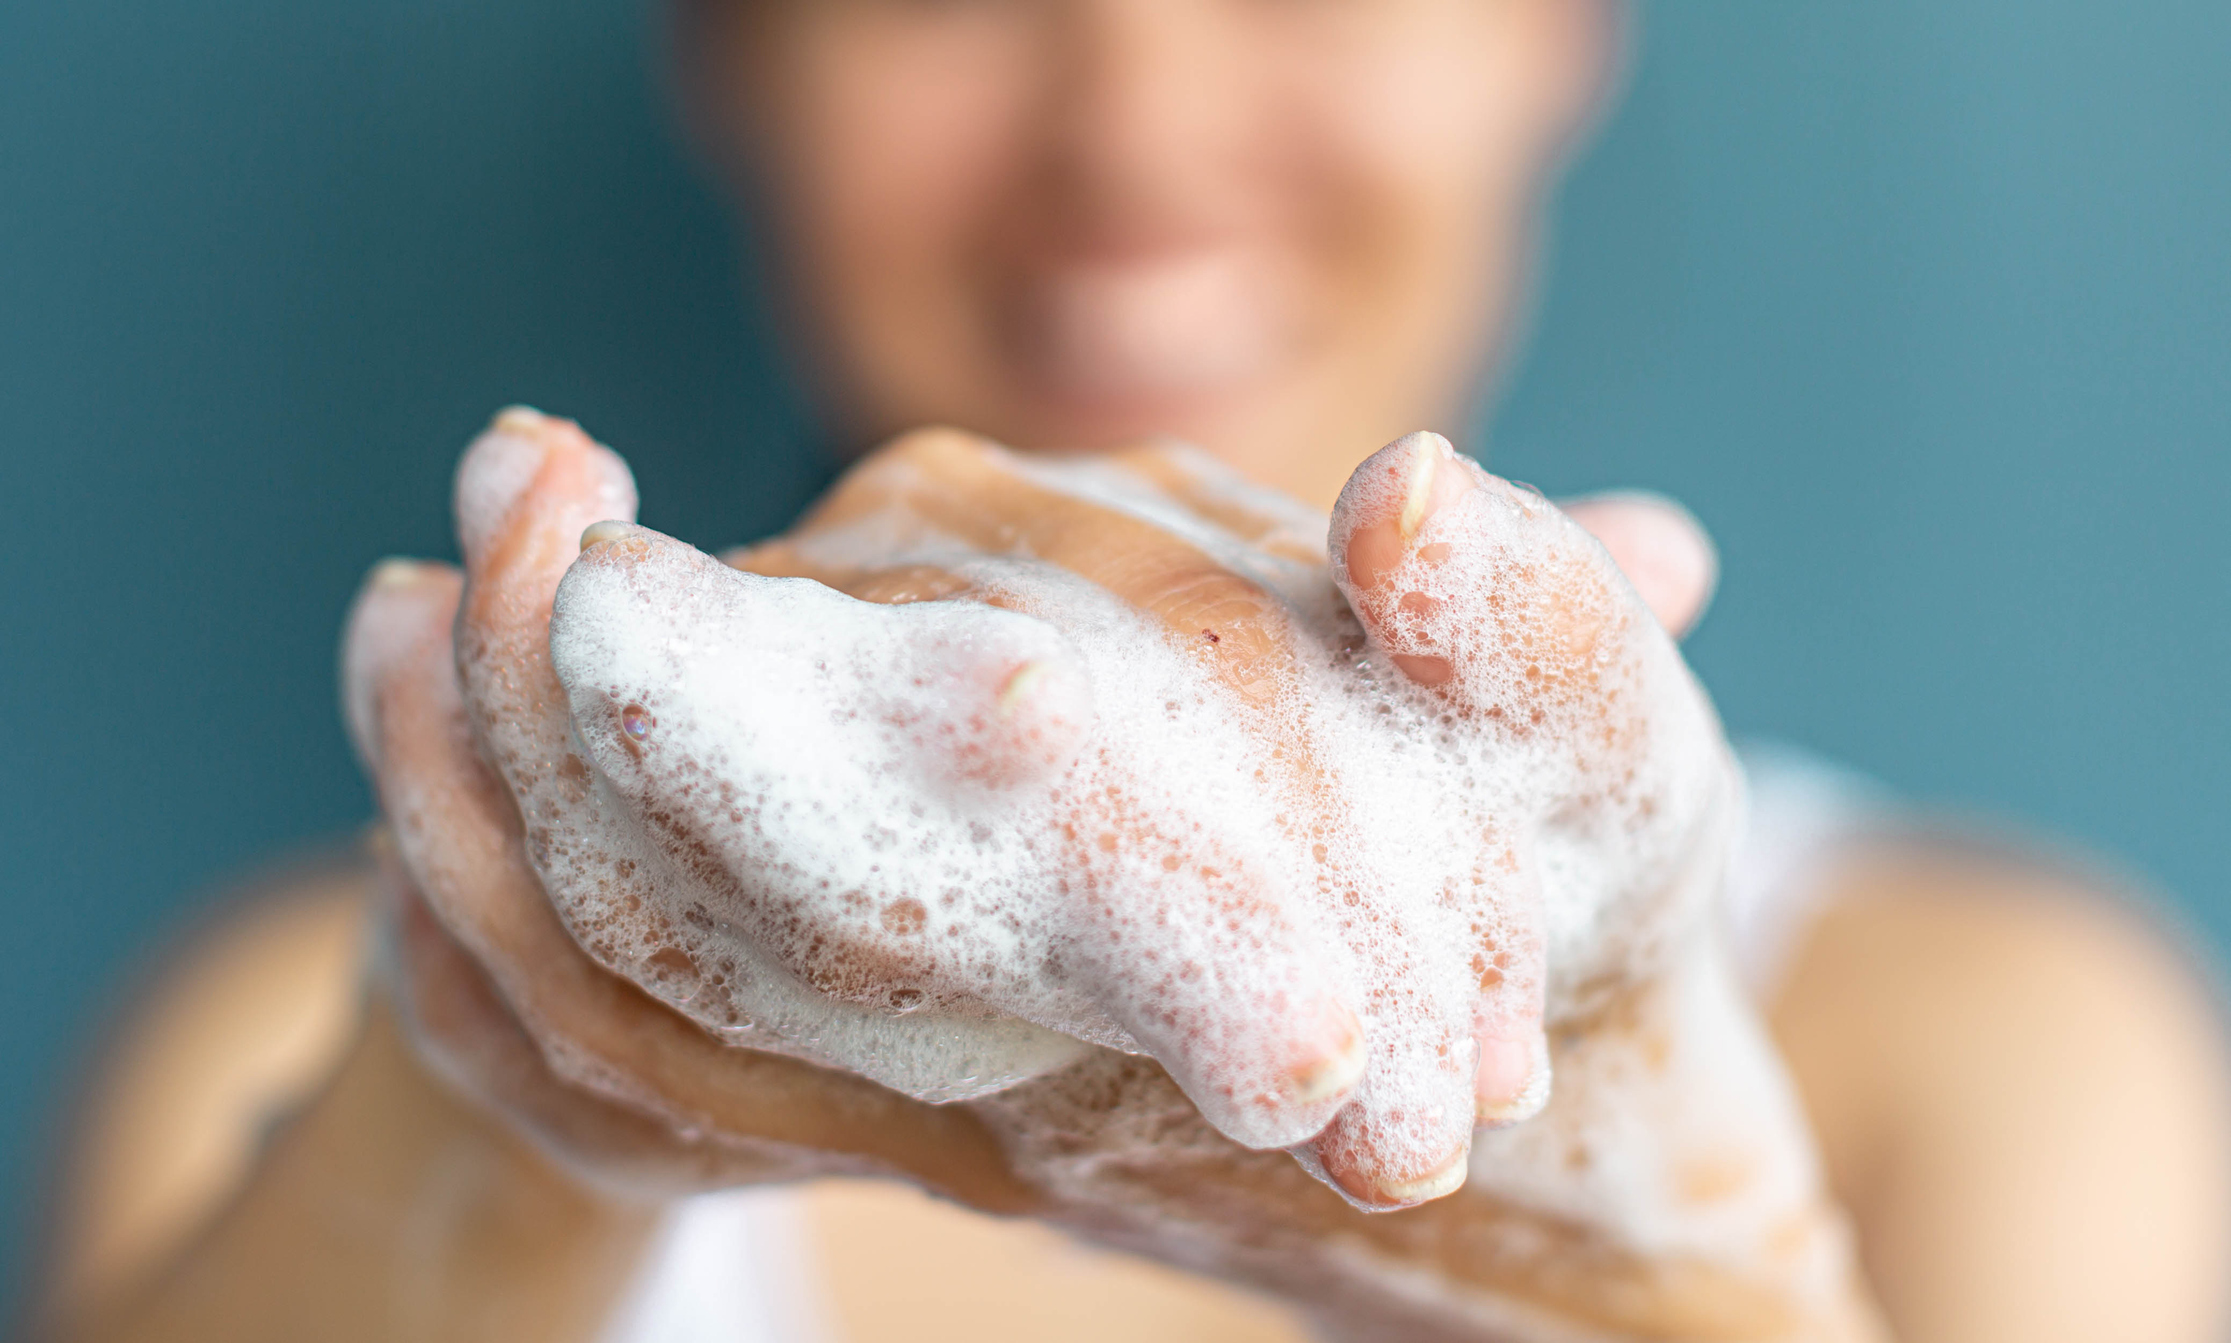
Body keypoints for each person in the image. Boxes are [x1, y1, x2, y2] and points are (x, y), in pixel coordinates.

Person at [37, 2, 2231, 1340]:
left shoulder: (1995, 1063)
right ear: (729, 53)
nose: (1134, 130)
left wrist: (1645, 1277)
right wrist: (509, 1109)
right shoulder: (319, 1052)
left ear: (1554, 22)